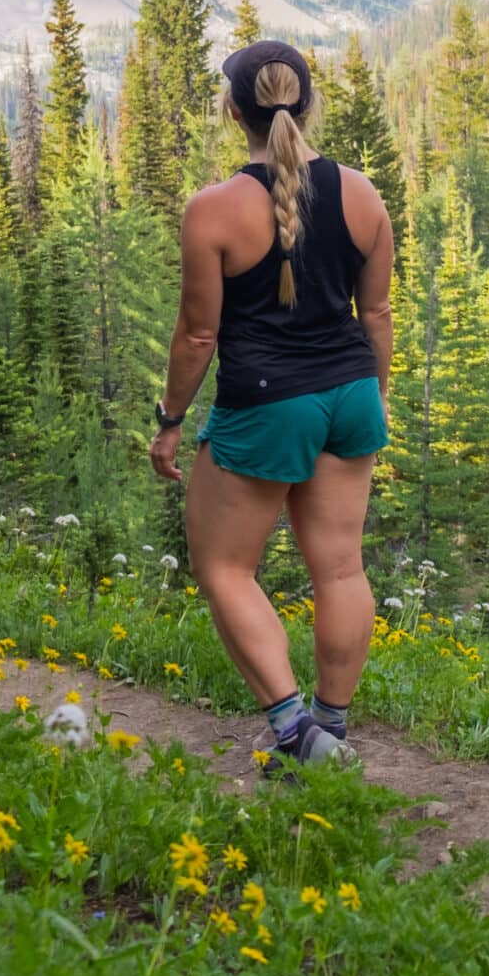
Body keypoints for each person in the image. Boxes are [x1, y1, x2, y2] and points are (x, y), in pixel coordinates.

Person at [149, 38, 394, 770]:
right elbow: (376, 315)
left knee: (224, 567)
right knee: (341, 570)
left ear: (233, 111)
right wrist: (369, 397)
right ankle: (331, 728)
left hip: (265, 401)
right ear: (308, 104)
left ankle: (294, 733)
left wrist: (168, 423)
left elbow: (198, 334)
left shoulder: (214, 210)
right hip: (349, 393)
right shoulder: (361, 193)